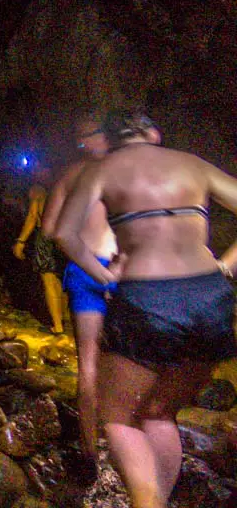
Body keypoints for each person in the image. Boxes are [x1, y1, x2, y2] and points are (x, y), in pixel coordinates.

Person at [54, 110, 237, 508]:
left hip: (149, 297)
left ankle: (145, 502)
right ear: (153, 133)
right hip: (211, 297)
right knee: (159, 413)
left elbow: (64, 233)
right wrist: (226, 266)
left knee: (118, 415)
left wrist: (102, 278)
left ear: (112, 139)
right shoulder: (192, 164)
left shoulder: (100, 171)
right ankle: (160, 500)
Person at [41, 115, 118, 477]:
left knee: (87, 363)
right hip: (123, 269)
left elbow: (50, 227)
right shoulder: (129, 170)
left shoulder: (72, 175)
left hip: (84, 266)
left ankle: (90, 454)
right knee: (124, 360)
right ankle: (124, 442)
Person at [13, 165, 66, 334]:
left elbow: (32, 216)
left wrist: (21, 241)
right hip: (65, 237)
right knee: (59, 279)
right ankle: (63, 318)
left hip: (45, 236)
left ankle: (57, 325)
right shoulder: (64, 186)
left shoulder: (37, 190)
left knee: (49, 280)